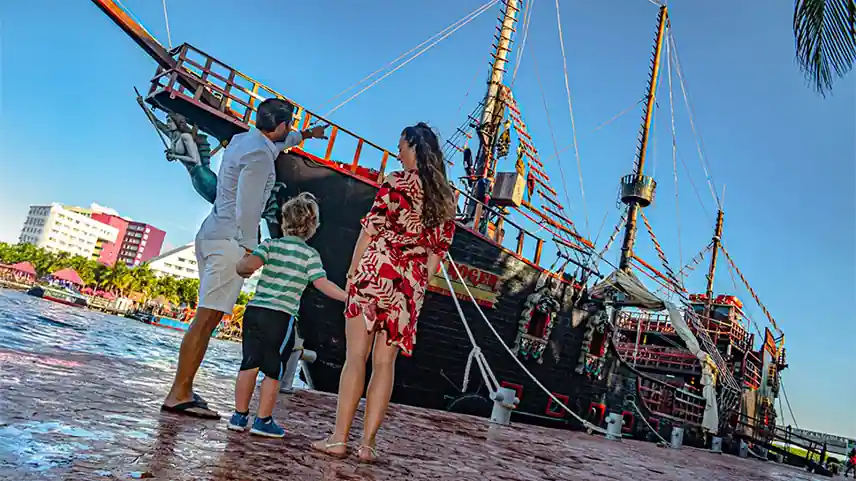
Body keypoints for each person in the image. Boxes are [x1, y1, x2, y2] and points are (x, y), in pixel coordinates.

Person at [160, 98, 328, 419]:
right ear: (279, 126)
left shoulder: (243, 141)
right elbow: (249, 208)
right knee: (206, 321)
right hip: (230, 243)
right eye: (288, 125)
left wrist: (306, 134)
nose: (289, 130)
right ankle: (179, 393)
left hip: (211, 232)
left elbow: (280, 144)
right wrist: (251, 250)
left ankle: (183, 387)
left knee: (204, 319)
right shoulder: (261, 158)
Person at [311, 122, 456, 462]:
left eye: (401, 146)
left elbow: (371, 228)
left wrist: (351, 272)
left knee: (355, 358)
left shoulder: (396, 180)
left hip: (376, 270)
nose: (398, 152)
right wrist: (416, 284)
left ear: (413, 147)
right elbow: (437, 254)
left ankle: (338, 439)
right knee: (384, 364)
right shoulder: (445, 196)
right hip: (409, 283)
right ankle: (367, 446)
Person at [229, 193, 347, 437]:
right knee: (273, 369)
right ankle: (263, 420)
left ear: (284, 221)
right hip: (281, 317)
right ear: (312, 226)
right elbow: (322, 283)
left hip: (255, 311)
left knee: (248, 363)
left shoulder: (270, 246)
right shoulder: (309, 256)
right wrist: (348, 297)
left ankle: (239, 417)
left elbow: (248, 267)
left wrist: (241, 265)